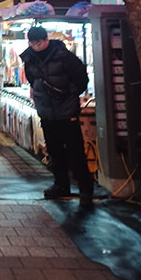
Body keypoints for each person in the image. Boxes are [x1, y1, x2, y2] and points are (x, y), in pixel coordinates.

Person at [21, 26, 94, 209]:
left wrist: (70, 95)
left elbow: (81, 79)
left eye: (39, 42)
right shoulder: (29, 58)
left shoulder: (64, 56)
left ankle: (85, 189)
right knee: (54, 150)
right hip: (46, 112)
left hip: (67, 111)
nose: (36, 46)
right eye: (32, 43)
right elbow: (32, 80)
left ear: (46, 40)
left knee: (75, 150)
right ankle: (61, 185)